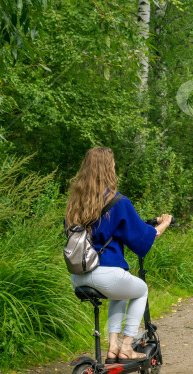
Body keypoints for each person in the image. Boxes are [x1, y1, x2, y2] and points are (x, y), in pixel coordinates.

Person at [65, 146, 172, 361]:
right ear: (108, 169)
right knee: (141, 290)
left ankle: (112, 346)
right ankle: (126, 346)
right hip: (105, 273)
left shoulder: (75, 204)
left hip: (77, 275)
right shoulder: (118, 202)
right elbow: (144, 237)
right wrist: (165, 223)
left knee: (120, 293)